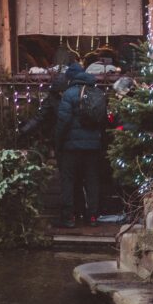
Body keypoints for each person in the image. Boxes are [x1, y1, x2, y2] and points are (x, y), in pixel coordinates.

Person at [55, 63, 105, 228]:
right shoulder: (97, 93)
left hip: (72, 147)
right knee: (92, 180)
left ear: (71, 79)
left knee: (68, 180)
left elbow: (63, 121)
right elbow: (103, 121)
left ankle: (68, 217)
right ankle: (92, 216)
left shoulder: (69, 94)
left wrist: (58, 143)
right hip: (93, 147)